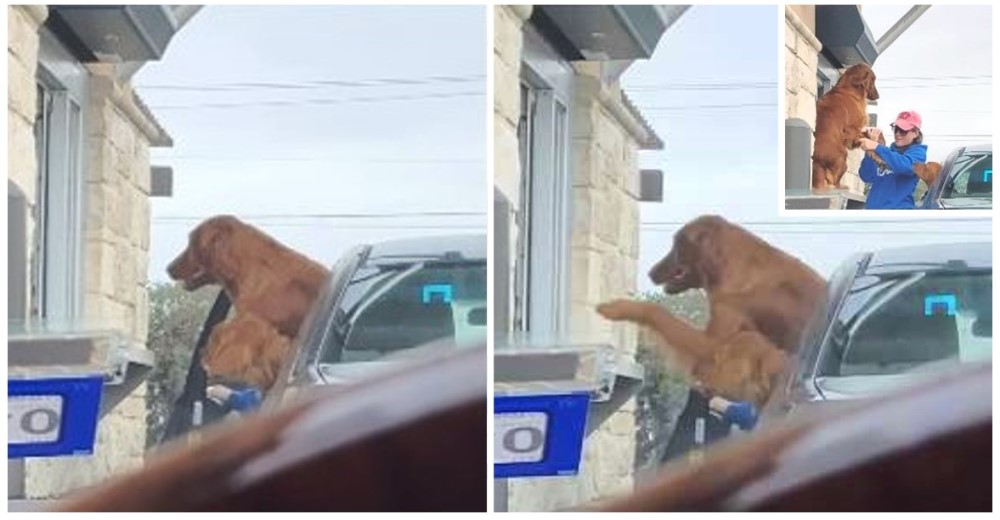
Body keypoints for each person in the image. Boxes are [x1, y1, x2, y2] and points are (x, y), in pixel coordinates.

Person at [858, 110, 928, 209]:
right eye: (896, 129)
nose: (898, 134)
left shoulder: (918, 154)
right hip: (873, 216)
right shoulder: (886, 153)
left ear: (915, 133)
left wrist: (877, 147)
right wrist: (871, 151)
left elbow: (906, 167)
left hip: (897, 218)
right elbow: (866, 176)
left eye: (903, 130)